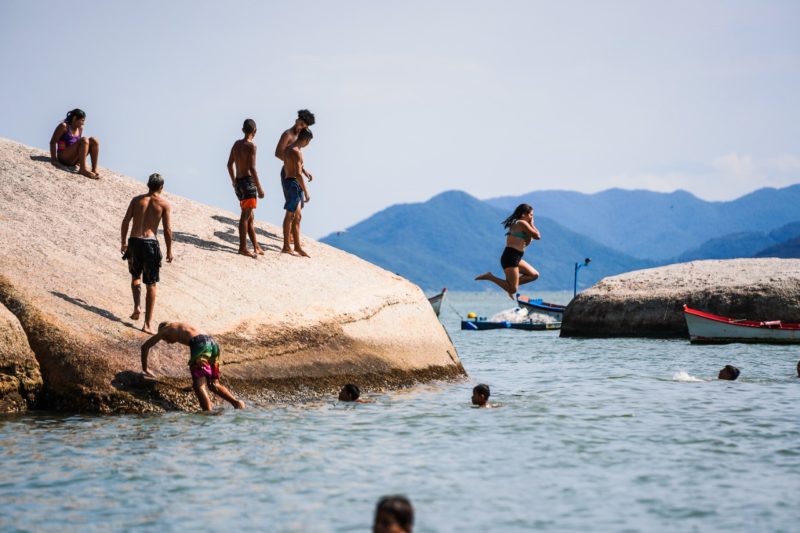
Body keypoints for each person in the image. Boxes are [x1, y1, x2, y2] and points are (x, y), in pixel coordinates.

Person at [140, 322, 245, 411]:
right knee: (214, 384)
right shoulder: (182, 327)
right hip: (214, 345)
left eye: (164, 339)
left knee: (198, 386)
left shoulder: (165, 330)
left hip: (200, 344)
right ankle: (237, 403)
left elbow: (145, 347)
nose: (166, 342)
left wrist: (145, 369)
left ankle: (208, 416)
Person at [120, 173, 173, 334]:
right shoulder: (163, 204)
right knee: (151, 284)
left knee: (135, 276)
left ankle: (137, 306)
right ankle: (147, 324)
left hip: (134, 242)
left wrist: (124, 242)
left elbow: (126, 221)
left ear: (148, 185)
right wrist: (170, 250)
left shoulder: (136, 200)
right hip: (150, 243)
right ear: (161, 187)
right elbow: (168, 229)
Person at [475, 203, 541, 299]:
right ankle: (490, 277)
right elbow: (538, 236)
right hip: (511, 257)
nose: (532, 217)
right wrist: (532, 223)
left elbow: (527, 242)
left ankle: (508, 285)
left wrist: (529, 235)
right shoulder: (521, 223)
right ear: (523, 215)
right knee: (513, 289)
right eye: (530, 215)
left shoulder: (518, 224)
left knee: (534, 275)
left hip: (516, 257)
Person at [275, 110, 316, 249]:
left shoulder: (301, 136)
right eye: (302, 123)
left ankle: (294, 237)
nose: (301, 126)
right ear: (297, 119)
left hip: (296, 171)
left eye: (304, 126)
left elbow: (297, 159)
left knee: (299, 208)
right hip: (288, 172)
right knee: (292, 206)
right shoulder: (288, 134)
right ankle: (290, 240)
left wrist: (303, 170)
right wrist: (289, 162)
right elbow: (277, 153)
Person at [227, 118, 265, 258]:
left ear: (243, 130)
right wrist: (259, 188)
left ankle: (255, 246)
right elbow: (252, 169)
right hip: (249, 184)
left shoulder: (236, 144)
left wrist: (233, 182)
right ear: (255, 131)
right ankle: (243, 247)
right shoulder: (252, 146)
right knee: (245, 216)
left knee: (250, 217)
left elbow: (229, 164)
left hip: (239, 182)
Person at [281, 128, 313, 256]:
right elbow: (298, 174)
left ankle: (297, 246)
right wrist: (306, 191)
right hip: (293, 183)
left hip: (290, 181)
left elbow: (297, 166)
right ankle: (286, 246)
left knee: (297, 216)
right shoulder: (296, 152)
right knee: (290, 215)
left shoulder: (290, 148)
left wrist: (305, 172)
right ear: (306, 140)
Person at [48, 108, 100, 179]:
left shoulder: (80, 128)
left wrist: (78, 159)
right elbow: (52, 142)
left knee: (94, 140)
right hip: (64, 157)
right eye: (82, 120)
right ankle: (83, 169)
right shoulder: (64, 126)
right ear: (75, 118)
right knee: (84, 140)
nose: (83, 123)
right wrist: (54, 159)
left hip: (73, 160)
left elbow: (80, 145)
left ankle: (94, 169)